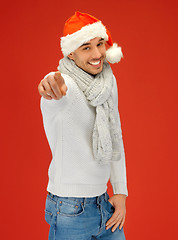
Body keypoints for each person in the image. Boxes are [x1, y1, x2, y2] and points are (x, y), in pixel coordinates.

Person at [38, 11, 128, 240]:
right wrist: (49, 83)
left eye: (100, 44)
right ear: (71, 53)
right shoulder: (64, 84)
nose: (98, 54)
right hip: (70, 209)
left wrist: (120, 190)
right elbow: (54, 86)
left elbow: (115, 134)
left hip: (103, 204)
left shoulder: (108, 81)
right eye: (86, 47)